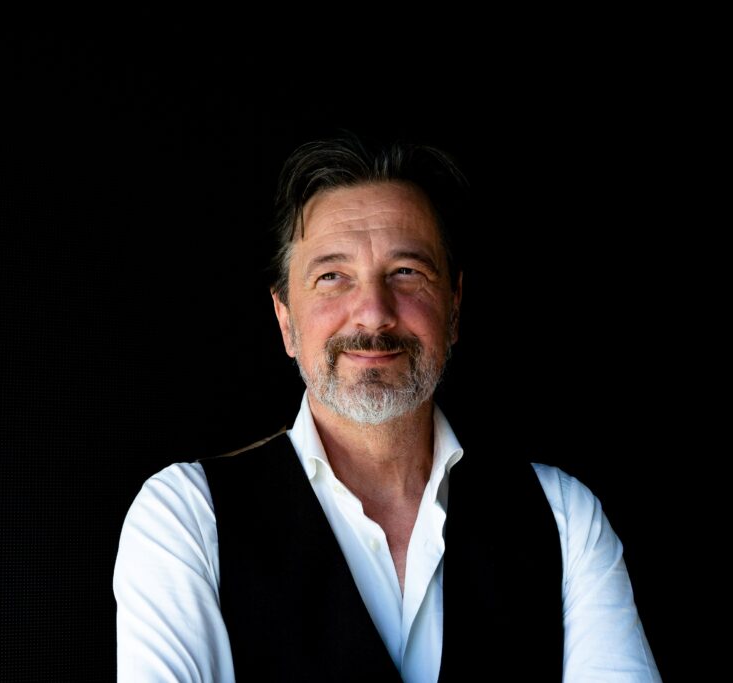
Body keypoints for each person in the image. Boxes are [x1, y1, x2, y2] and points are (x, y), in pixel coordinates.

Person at [113, 131, 662, 682]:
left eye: (406, 272)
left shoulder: (563, 517)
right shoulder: (189, 519)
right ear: (285, 320)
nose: (373, 313)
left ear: (453, 308)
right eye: (332, 277)